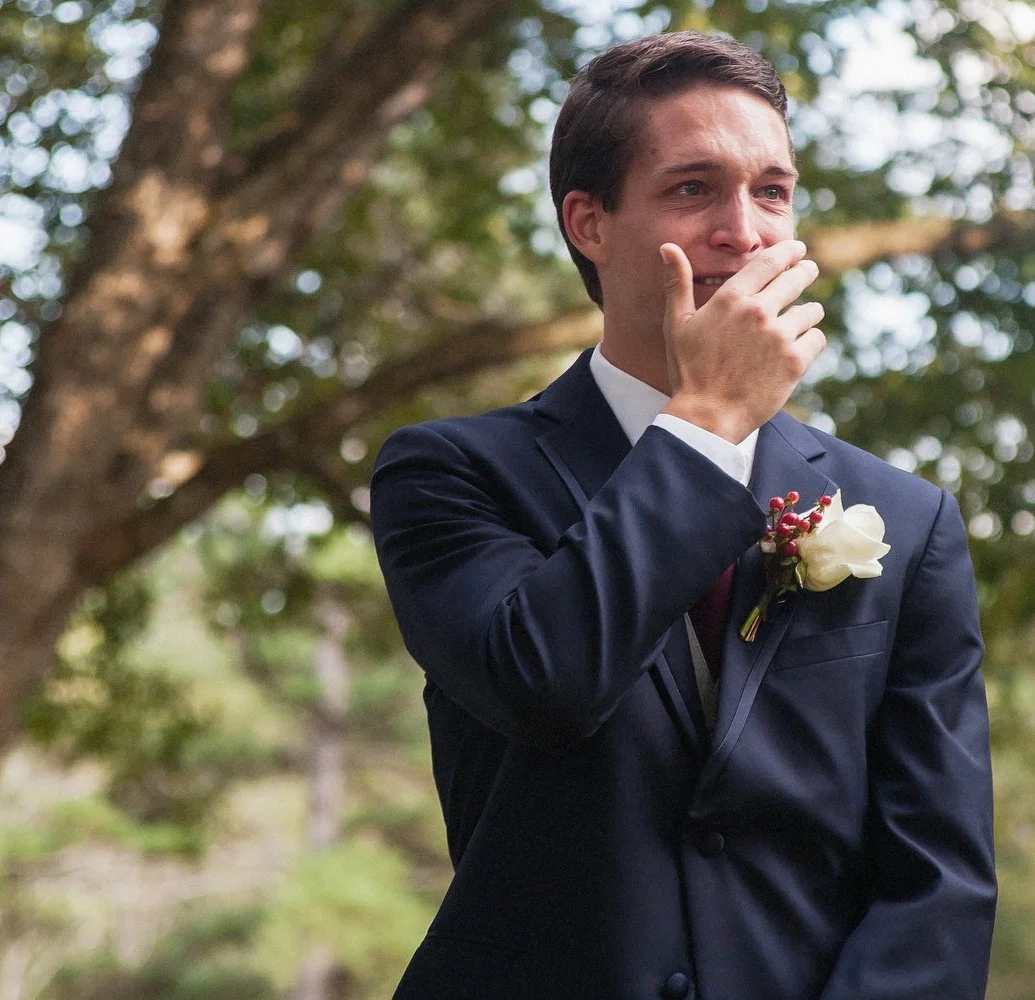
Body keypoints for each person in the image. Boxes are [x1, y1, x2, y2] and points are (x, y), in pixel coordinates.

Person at [370, 31, 995, 1000]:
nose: (744, 232)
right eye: (694, 188)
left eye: (772, 192)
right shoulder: (449, 474)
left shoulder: (907, 521)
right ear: (590, 223)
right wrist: (704, 423)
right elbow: (545, 679)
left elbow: (939, 884)